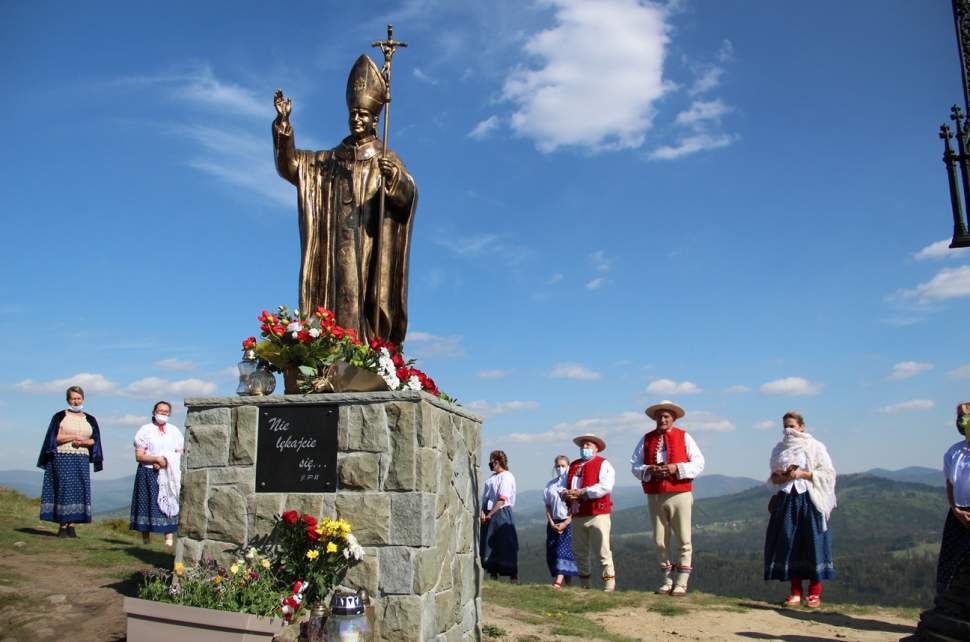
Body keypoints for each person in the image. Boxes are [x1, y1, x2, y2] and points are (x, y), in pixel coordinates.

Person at [273, 54, 417, 345]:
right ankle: (330, 357)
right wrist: (283, 128)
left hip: (367, 247)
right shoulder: (329, 161)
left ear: (375, 120)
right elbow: (292, 167)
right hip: (331, 250)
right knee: (331, 302)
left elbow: (407, 196)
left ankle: (365, 352)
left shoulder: (385, 157)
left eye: (363, 115)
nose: (357, 120)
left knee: (362, 300)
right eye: (353, 114)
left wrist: (393, 179)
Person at [630, 400, 705, 596]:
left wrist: (676, 468)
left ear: (673, 418)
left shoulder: (684, 436)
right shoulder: (646, 439)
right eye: (659, 416)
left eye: (666, 416)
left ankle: (681, 582)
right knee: (659, 540)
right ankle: (666, 580)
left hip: (679, 491)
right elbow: (634, 465)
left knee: (683, 538)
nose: (662, 419)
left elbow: (698, 463)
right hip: (655, 493)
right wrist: (649, 470)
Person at [764, 410, 837, 608]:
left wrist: (803, 474)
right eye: (786, 427)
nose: (789, 431)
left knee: (812, 541)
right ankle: (795, 591)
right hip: (787, 499)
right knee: (789, 543)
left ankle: (814, 592)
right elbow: (773, 478)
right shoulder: (779, 449)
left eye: (792, 426)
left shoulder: (814, 446)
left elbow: (828, 473)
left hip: (809, 499)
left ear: (801, 427)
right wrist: (783, 475)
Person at [36, 386, 103, 537]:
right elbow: (54, 438)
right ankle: (62, 526)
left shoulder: (90, 419)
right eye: (73, 398)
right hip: (63, 457)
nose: (76, 401)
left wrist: (85, 442)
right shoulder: (60, 416)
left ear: (83, 399)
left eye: (78, 398)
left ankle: (72, 526)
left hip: (82, 457)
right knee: (64, 488)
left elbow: (95, 441)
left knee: (79, 488)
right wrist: (72, 437)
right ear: (68, 400)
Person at [562, 433, 616, 591]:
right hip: (578, 514)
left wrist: (583, 492)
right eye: (583, 445)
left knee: (603, 551)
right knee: (580, 552)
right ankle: (585, 584)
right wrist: (565, 493)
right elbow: (563, 484)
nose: (584, 447)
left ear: (596, 448)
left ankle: (609, 583)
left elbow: (605, 486)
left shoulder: (603, 464)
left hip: (597, 513)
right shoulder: (573, 465)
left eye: (588, 445)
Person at [130, 401, 184, 546]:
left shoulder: (174, 431)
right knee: (147, 502)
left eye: (166, 412)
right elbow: (139, 456)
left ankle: (168, 537)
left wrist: (165, 462)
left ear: (170, 414)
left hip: (168, 472)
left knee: (169, 502)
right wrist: (155, 459)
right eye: (160, 411)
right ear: (154, 412)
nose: (163, 414)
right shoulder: (145, 430)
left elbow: (179, 453)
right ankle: (145, 536)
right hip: (148, 471)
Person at [936, 402, 970, 596]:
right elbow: (950, 485)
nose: (960, 421)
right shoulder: (954, 452)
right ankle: (947, 608)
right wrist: (955, 508)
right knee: (952, 564)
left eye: (965, 416)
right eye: (958, 417)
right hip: (958, 513)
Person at [480, 450, 518, 582]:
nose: (490, 463)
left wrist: (490, 514)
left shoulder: (507, 476)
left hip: (501, 512)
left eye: (492, 460)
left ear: (498, 461)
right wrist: (482, 512)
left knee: (505, 543)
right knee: (490, 543)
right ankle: (493, 573)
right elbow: (485, 497)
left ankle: (512, 576)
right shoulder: (491, 478)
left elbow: (502, 499)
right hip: (489, 513)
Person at [544, 455, 579, 588]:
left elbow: (574, 505)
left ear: (568, 466)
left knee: (562, 551)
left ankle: (558, 582)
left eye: (563, 466)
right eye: (558, 466)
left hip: (567, 521)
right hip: (553, 521)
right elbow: (547, 504)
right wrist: (551, 521)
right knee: (553, 551)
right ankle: (569, 585)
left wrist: (566, 522)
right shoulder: (550, 485)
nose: (560, 468)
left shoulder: (571, 484)